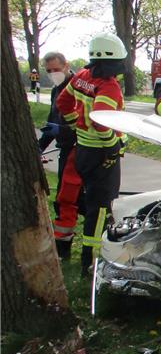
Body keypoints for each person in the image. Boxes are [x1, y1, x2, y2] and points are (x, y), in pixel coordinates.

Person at [56, 33, 127, 276]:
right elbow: (100, 120)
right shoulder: (108, 86)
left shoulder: (81, 77)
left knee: (93, 204)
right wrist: (112, 146)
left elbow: (63, 103)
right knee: (101, 209)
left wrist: (75, 125)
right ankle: (92, 263)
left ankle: (90, 258)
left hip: (84, 150)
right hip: (100, 155)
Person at [38, 51, 81, 259]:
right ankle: (63, 249)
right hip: (66, 149)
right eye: (49, 71)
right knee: (66, 200)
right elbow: (52, 120)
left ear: (66, 65)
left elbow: (84, 124)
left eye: (56, 69)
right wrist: (39, 147)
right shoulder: (57, 90)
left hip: (80, 149)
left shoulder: (79, 87)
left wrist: (61, 130)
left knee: (70, 199)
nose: (53, 73)